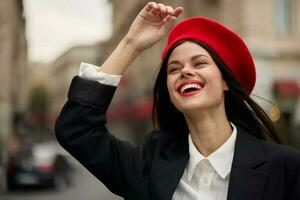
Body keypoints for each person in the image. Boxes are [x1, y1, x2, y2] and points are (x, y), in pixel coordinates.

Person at [55, 2, 300, 200]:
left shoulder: (284, 167)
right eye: (174, 69)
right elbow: (76, 129)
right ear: (170, 94)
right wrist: (131, 44)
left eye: (200, 63)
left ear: (227, 81)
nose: (185, 72)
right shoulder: (150, 164)